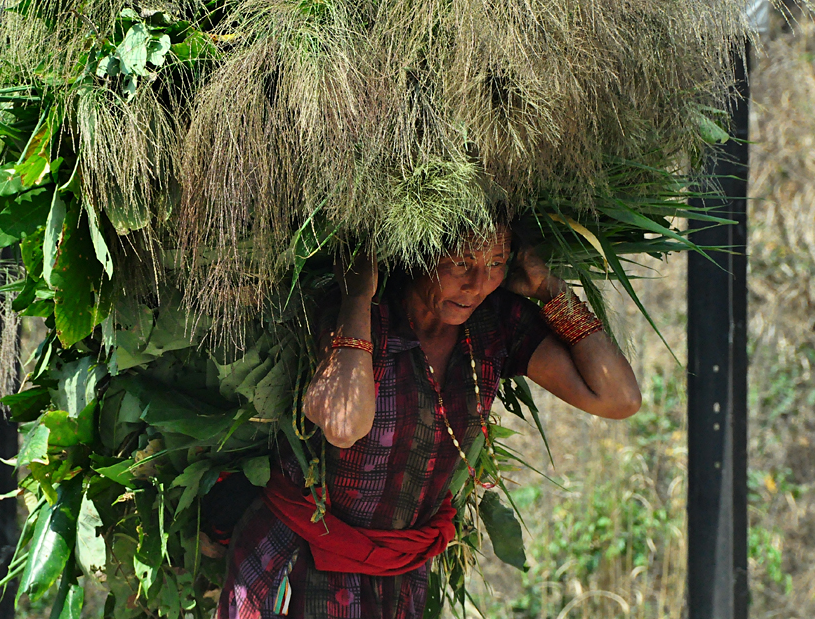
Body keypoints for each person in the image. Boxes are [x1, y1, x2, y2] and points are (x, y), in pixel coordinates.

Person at [218, 226, 642, 619]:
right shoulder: (365, 313)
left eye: (496, 263)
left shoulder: (496, 325)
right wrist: (356, 297)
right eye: (461, 264)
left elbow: (618, 398)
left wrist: (550, 290)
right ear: (417, 251)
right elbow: (343, 425)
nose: (477, 284)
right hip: (298, 562)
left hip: (401, 572)